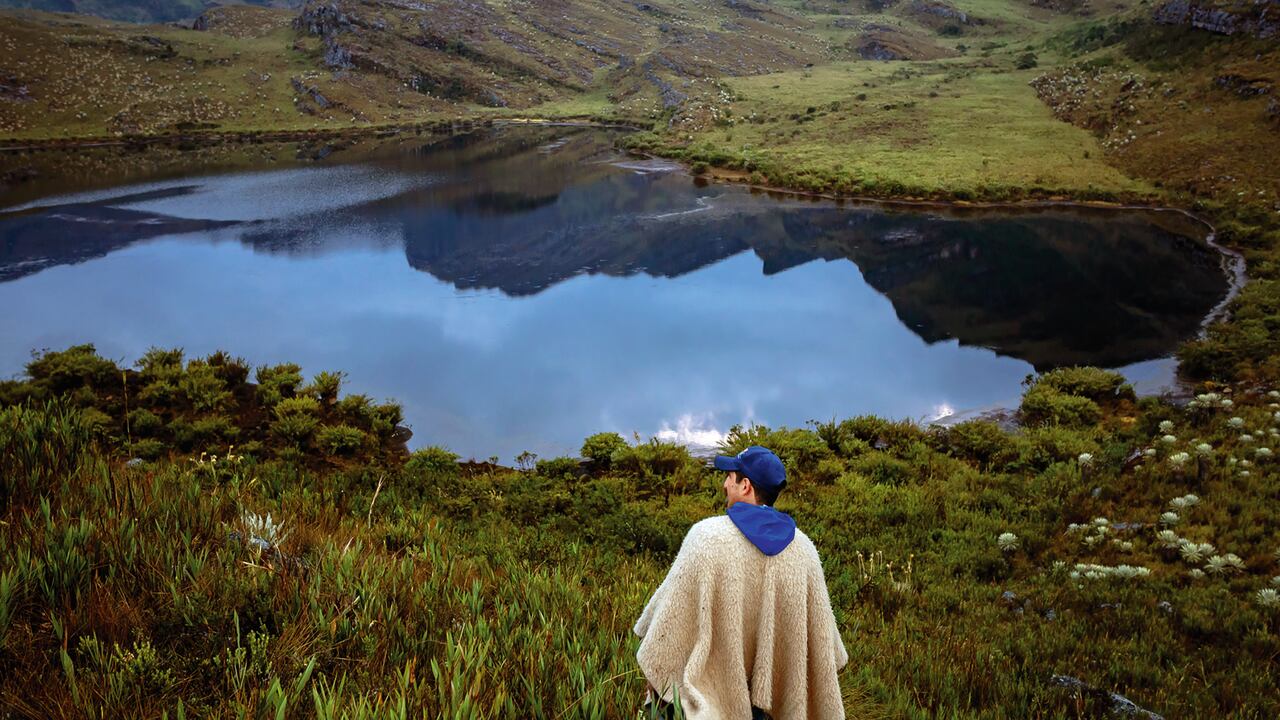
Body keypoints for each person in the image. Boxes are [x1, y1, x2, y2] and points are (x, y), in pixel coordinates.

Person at [633, 445, 848, 720]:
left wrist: (657, 681)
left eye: (730, 477)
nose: (724, 484)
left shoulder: (705, 538)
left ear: (745, 486)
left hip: (712, 705)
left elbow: (669, 627)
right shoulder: (804, 549)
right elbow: (824, 646)